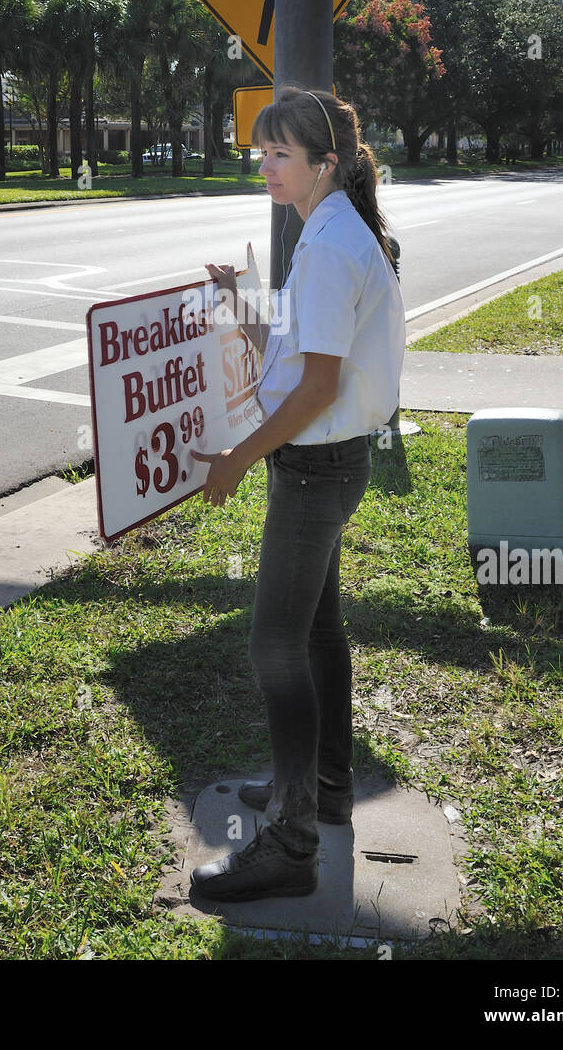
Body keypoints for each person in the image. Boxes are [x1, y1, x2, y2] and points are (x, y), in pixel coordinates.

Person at [189, 86, 406, 903]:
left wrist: (236, 459)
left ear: (325, 163)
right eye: (261, 151)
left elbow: (314, 388)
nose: (265, 166)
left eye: (280, 153)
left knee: (274, 648)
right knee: (318, 635)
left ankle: (288, 843)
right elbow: (301, 349)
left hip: (314, 468)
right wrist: (239, 307)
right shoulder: (336, 228)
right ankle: (327, 788)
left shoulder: (327, 245)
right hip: (333, 462)